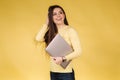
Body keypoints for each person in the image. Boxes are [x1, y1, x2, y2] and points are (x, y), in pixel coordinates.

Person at [35, 5, 82, 80]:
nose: (58, 15)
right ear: (51, 17)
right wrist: (46, 23)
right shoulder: (51, 32)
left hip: (66, 73)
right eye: (54, 14)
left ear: (64, 15)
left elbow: (78, 51)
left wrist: (63, 58)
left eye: (60, 12)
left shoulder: (70, 31)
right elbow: (38, 38)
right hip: (53, 72)